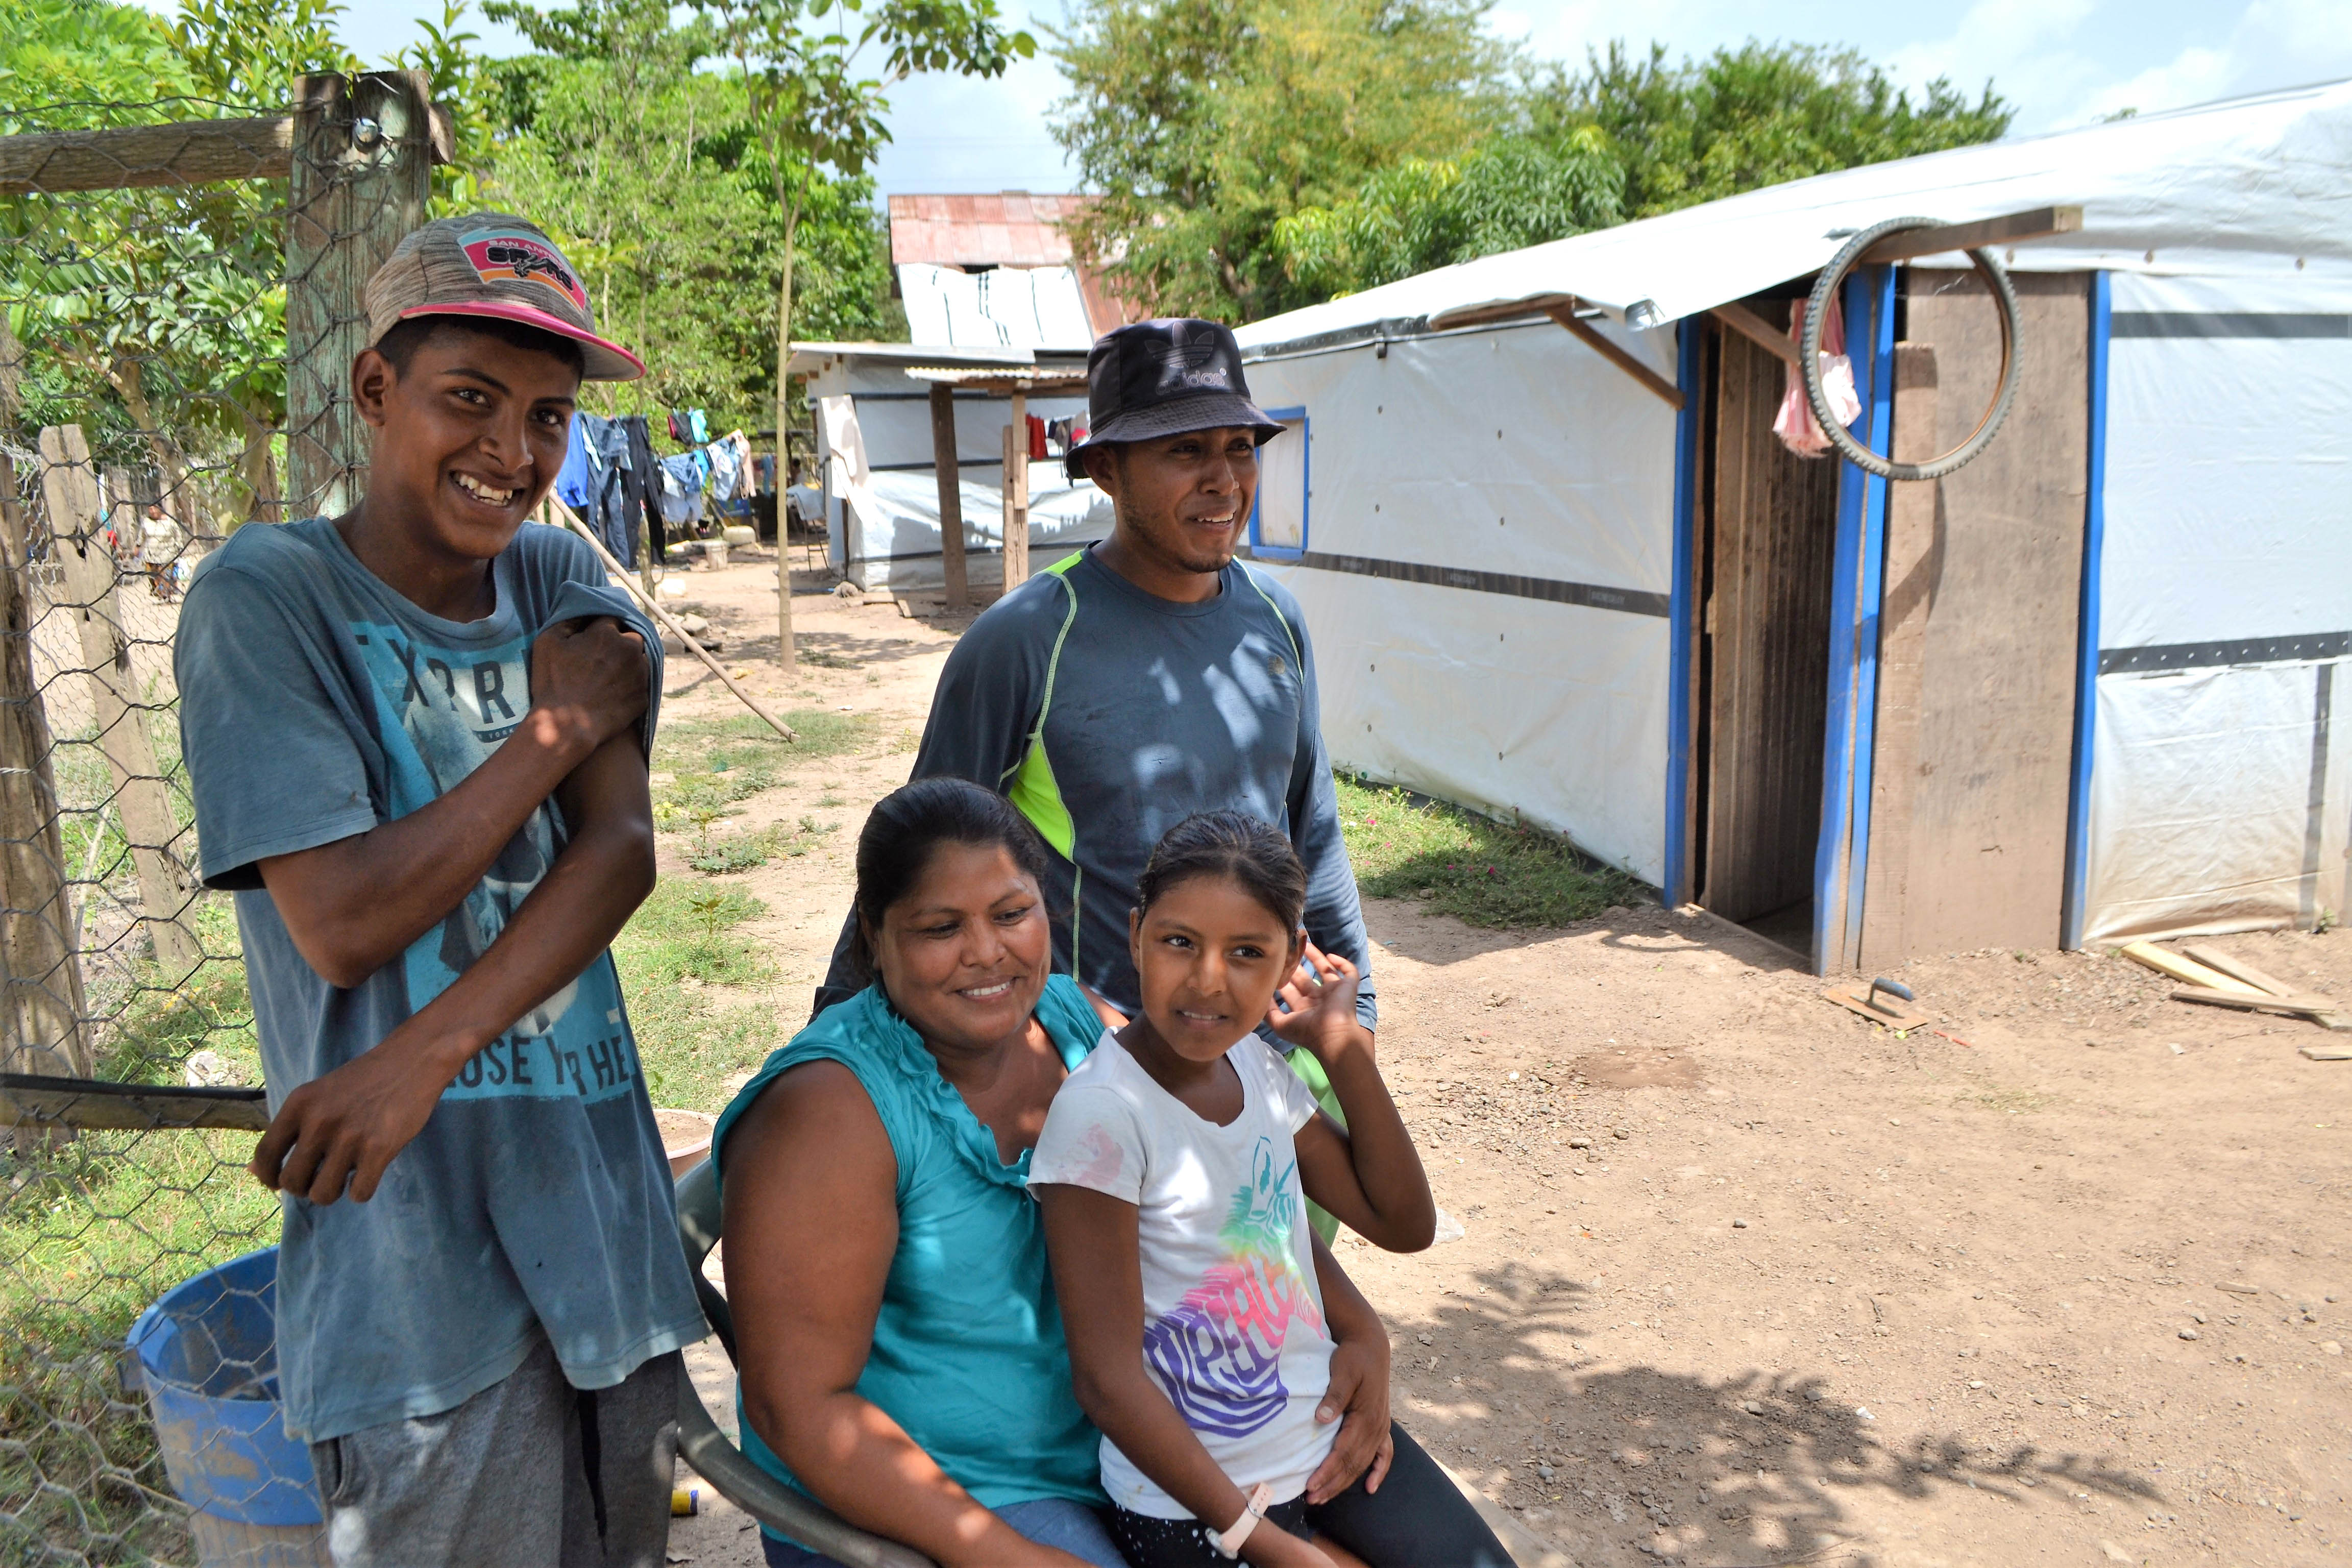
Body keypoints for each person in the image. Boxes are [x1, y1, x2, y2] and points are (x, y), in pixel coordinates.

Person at [174, 212, 704, 1568]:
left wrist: (427, 1050)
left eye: (545, 416)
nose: (513, 453)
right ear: (375, 393)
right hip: (408, 1269)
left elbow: (621, 854)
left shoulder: (560, 573)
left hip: (597, 1221)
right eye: (469, 398)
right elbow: (344, 919)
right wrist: (550, 736)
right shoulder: (270, 599)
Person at [815, 318, 1378, 1198]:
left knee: (1267, 1321)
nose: (1225, 479)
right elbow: (910, 868)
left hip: (1262, 1069)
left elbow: (1312, 832)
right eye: (1186, 451)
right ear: (1107, 469)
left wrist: (1358, 1027)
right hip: (1097, 1085)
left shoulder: (1277, 622)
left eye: (1240, 447)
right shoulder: (1025, 643)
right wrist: (831, 1060)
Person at [1032, 814, 1508, 1567]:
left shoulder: (1255, 1069)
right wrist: (1261, 1541)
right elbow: (1107, 1379)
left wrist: (1343, 1049)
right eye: (1179, 941)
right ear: (1135, 936)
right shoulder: (1102, 1118)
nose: (1208, 979)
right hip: (1193, 1502)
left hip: (1322, 1442)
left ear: (1291, 958)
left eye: (1249, 953)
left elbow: (1400, 1222)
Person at [709, 778, 1123, 1567]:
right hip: (928, 1510)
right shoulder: (832, 1114)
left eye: (1012, 913)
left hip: (1107, 1453)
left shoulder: (1075, 1026)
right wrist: (1009, 1558)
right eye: (941, 927)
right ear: (875, 937)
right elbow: (795, 1405)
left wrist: (1351, 1335)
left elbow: (1222, 1185)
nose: (987, 952)